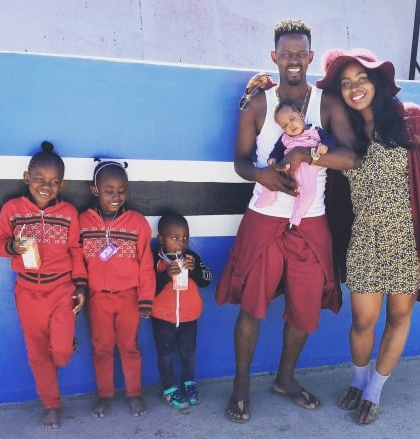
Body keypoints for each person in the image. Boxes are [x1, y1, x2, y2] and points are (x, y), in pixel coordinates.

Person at [215, 18, 354, 423]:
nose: (293, 60)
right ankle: (241, 385)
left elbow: (350, 158)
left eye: (301, 54)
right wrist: (261, 173)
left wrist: (305, 156)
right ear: (275, 57)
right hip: (265, 217)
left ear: (310, 57)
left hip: (311, 222)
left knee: (305, 308)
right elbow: (241, 160)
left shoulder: (327, 102)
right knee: (252, 308)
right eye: (286, 54)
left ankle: (285, 378)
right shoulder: (259, 101)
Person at [309, 48, 420, 425]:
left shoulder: (411, 120)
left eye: (361, 79)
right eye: (346, 83)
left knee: (399, 315)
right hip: (364, 240)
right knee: (362, 321)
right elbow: (300, 136)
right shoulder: (345, 134)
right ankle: (357, 379)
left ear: (378, 81)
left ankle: (375, 389)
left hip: (407, 238)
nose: (354, 88)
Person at [0, 141, 87, 429]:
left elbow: (76, 250)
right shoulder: (12, 210)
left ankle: (64, 345)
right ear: (26, 179)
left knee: (60, 352)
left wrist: (81, 286)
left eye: (53, 182)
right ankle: (51, 404)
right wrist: (13, 246)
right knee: (37, 352)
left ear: (62, 184)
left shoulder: (69, 213)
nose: (46, 186)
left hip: (61, 289)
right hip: (28, 290)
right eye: (39, 180)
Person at [78, 160, 154, 419]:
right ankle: (105, 395)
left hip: (129, 298)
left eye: (121, 189)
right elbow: (76, 259)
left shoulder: (137, 223)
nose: (116, 195)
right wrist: (79, 289)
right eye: (108, 189)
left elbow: (146, 263)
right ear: (95, 190)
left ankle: (134, 393)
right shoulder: (83, 222)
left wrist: (145, 298)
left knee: (129, 346)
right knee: (101, 348)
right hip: (97, 298)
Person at [151, 212, 212, 409]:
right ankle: (169, 388)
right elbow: (147, 288)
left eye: (185, 238)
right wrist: (165, 275)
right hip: (162, 318)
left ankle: (189, 383)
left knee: (188, 353)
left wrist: (194, 271)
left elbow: (207, 280)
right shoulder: (155, 260)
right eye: (174, 238)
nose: (180, 243)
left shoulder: (191, 257)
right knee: (166, 355)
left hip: (188, 317)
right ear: (161, 238)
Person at [254, 102, 334, 227]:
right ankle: (268, 196)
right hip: (287, 165)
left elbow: (330, 139)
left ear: (301, 115)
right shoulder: (285, 138)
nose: (290, 125)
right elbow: (278, 149)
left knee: (309, 192)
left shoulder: (315, 130)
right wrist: (273, 158)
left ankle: (297, 215)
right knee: (271, 175)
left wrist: (326, 145)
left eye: (292, 119)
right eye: (285, 125)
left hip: (308, 168)